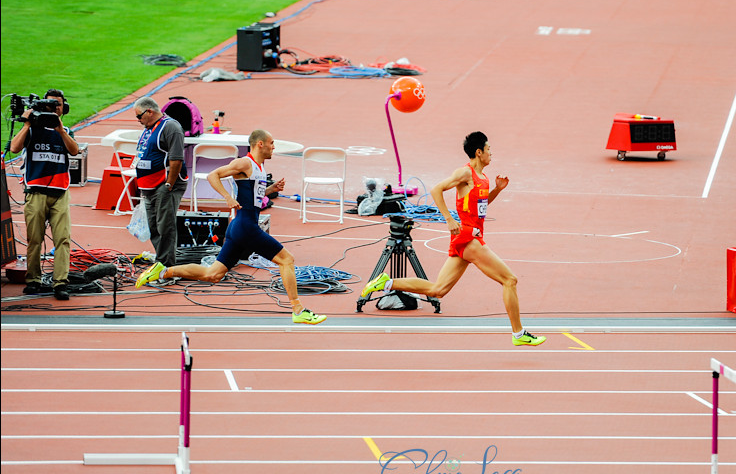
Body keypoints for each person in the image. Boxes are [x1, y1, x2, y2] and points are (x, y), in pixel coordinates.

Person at [361, 131, 545, 346]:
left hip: (466, 238)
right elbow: (436, 189)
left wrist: (497, 190)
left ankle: (387, 282)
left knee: (438, 290)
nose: (491, 153)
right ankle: (518, 333)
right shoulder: (464, 174)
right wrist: (448, 218)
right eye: (488, 149)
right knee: (509, 280)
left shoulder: (484, 179)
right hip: (468, 237)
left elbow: (481, 207)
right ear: (478, 152)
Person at [135, 129, 325, 325]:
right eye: (271, 143)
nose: (273, 147)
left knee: (213, 274)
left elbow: (252, 197)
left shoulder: (258, 167)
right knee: (287, 260)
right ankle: (298, 310)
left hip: (239, 226)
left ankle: (163, 271)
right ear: (260, 144)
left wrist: (270, 189)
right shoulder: (245, 162)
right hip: (246, 226)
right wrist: (227, 197)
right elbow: (213, 175)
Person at [9, 89, 80, 300]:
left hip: (60, 193)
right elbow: (13, 148)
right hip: (36, 192)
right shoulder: (32, 131)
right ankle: (33, 280)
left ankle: (60, 282)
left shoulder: (66, 130)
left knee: (63, 240)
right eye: (50, 104)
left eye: (58, 105)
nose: (54, 108)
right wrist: (28, 124)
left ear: (63, 108)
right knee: (34, 240)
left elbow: (74, 151)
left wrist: (60, 130)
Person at [132, 96, 187, 279]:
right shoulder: (149, 128)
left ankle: (167, 270)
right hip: (149, 187)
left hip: (165, 186)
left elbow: (176, 159)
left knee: (166, 227)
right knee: (154, 227)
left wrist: (169, 185)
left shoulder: (171, 127)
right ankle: (161, 263)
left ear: (150, 111)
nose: (138, 121)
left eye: (139, 116)